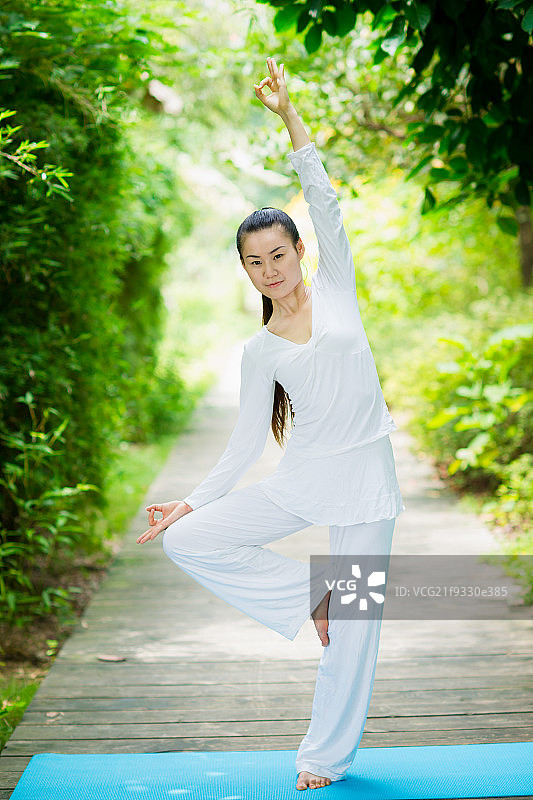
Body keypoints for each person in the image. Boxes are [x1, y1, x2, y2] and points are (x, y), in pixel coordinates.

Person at [137, 57, 405, 791]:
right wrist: (187, 503)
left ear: (297, 252)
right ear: (247, 272)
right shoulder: (257, 352)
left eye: (277, 254)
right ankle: (304, 598)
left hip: (366, 480)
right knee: (190, 541)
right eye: (254, 263)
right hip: (303, 481)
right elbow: (242, 446)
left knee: (355, 633)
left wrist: (289, 115)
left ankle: (322, 758)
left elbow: (323, 199)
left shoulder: (337, 286)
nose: (269, 269)